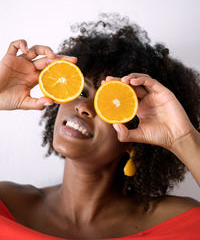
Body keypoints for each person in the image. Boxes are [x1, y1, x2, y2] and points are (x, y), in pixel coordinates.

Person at [0, 14, 200, 240]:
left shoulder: (176, 222)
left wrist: (182, 137)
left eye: (109, 103)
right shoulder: (6, 205)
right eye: (81, 92)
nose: (83, 107)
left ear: (137, 135)